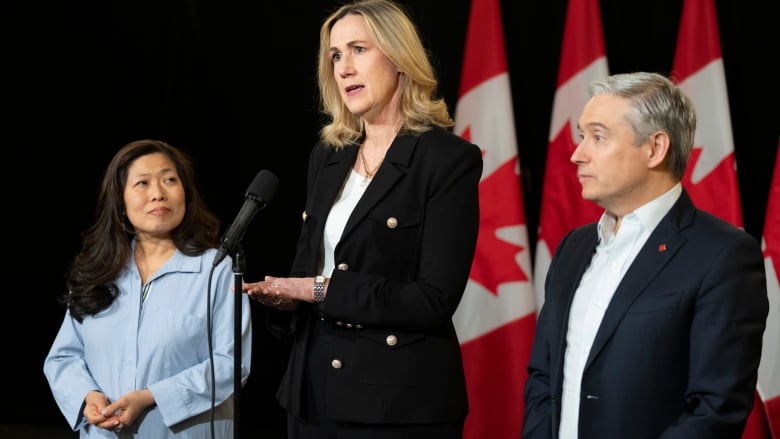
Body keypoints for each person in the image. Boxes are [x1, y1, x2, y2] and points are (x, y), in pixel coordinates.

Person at [241, 0, 482, 437]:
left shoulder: (447, 160)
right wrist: (287, 295)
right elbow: (308, 268)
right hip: (313, 393)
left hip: (398, 401)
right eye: (335, 56)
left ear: (399, 58)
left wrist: (320, 290)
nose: (344, 67)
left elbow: (433, 299)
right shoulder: (328, 155)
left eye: (358, 50)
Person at [522, 71, 769, 439]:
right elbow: (544, 377)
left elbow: (716, 407)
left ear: (655, 148)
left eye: (598, 137)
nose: (577, 154)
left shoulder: (724, 255)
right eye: (581, 135)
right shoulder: (572, 248)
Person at [43, 139, 252, 438]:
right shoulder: (97, 271)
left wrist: (150, 396)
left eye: (169, 180)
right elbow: (64, 357)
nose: (158, 194)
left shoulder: (216, 270)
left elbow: (231, 363)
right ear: (120, 202)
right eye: (142, 183)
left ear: (186, 194)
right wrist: (86, 395)